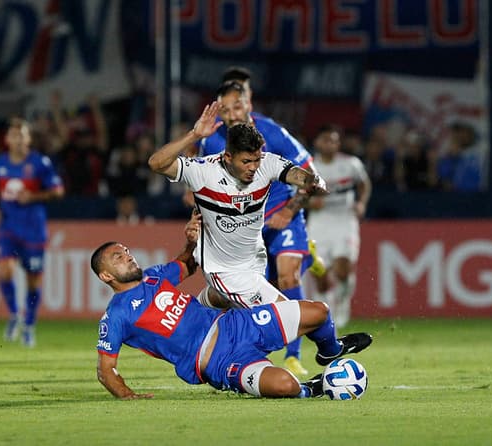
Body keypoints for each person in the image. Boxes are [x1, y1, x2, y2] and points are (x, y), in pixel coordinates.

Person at [148, 102, 369, 370]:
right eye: (246, 161)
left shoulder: (266, 163)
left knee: (232, 304)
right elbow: (156, 163)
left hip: (254, 263)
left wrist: (313, 182)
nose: (254, 167)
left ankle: (200, 309)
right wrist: (194, 135)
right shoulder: (203, 171)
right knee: (314, 314)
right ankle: (330, 351)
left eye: (257, 159)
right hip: (226, 271)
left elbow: (299, 175)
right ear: (227, 157)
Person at [92, 212, 373, 399]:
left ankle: (330, 351)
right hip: (217, 362)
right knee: (285, 385)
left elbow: (186, 266)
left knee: (320, 312)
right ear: (106, 276)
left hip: (235, 325)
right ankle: (313, 388)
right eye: (118, 257)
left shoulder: (153, 277)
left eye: (126, 252)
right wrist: (128, 395)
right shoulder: (116, 315)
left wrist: (191, 241)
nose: (127, 257)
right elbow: (106, 369)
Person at [193, 80, 326, 376]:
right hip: (245, 228)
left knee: (288, 272)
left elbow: (310, 173)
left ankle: (293, 356)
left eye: (237, 106)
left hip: (281, 213)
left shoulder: (272, 132)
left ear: (249, 104)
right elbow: (205, 186)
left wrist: (290, 211)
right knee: (249, 301)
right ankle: (240, 355)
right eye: (224, 109)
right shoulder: (212, 139)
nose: (231, 114)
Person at [0, 117, 64, 347]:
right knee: (4, 270)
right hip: (7, 226)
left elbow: (58, 190)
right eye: (13, 135)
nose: (18, 139)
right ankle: (13, 315)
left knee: (33, 281)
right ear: (7, 139)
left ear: (28, 139)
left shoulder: (40, 163)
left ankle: (29, 324)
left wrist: (34, 196)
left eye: (22, 135)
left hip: (33, 229)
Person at [306, 124, 371, 328]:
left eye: (334, 141)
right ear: (317, 142)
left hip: (344, 220)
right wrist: (309, 203)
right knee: (320, 274)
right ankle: (325, 311)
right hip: (319, 222)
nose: (331, 144)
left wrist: (361, 203)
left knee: (343, 269)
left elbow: (364, 184)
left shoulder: (351, 164)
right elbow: (296, 195)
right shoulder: (309, 167)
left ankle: (342, 303)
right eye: (326, 140)